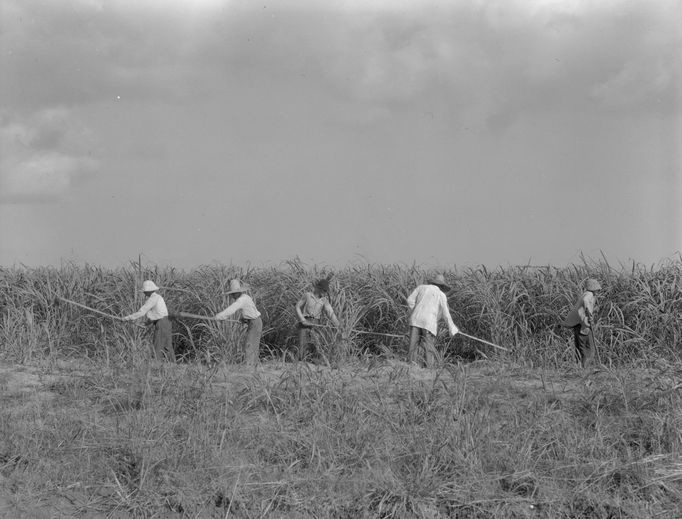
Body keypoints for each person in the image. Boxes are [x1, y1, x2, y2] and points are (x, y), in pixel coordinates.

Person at [406, 273, 459, 368]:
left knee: (412, 346)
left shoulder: (421, 288)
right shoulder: (441, 295)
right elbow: (446, 314)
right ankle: (429, 368)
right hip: (429, 323)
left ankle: (410, 367)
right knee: (428, 346)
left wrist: (415, 311)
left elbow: (410, 300)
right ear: (442, 286)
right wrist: (453, 329)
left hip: (415, 320)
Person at [123, 280, 175, 362]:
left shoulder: (153, 298)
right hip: (167, 322)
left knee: (158, 343)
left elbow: (142, 312)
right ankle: (172, 363)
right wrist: (147, 323)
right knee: (167, 345)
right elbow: (157, 314)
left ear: (149, 291)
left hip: (161, 323)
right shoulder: (158, 297)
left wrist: (128, 318)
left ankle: (157, 364)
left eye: (145, 291)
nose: (144, 293)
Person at [214, 279, 262, 366]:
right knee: (252, 345)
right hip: (254, 322)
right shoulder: (246, 297)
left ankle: (249, 368)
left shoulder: (242, 299)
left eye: (233, 293)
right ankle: (253, 366)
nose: (232, 296)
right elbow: (250, 311)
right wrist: (244, 319)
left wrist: (220, 316)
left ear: (237, 292)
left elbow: (232, 309)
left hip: (255, 323)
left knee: (249, 346)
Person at [295, 276, 340, 361]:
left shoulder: (324, 301)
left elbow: (331, 313)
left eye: (326, 291)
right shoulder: (308, 296)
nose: (325, 293)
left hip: (315, 323)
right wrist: (302, 319)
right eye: (324, 291)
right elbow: (297, 307)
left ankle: (313, 363)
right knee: (302, 345)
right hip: (304, 322)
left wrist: (338, 325)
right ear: (319, 288)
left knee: (315, 345)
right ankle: (300, 363)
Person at [561, 278, 602, 368]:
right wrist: (589, 312)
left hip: (579, 324)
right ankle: (585, 368)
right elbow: (585, 301)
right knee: (589, 349)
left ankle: (581, 367)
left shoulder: (587, 294)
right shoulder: (589, 294)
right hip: (582, 325)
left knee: (582, 348)